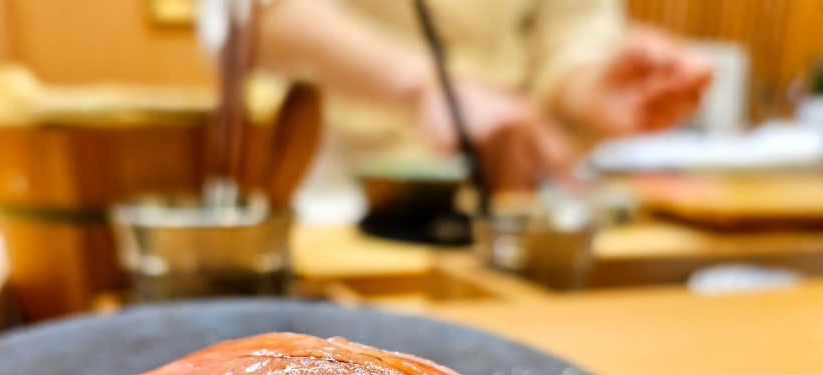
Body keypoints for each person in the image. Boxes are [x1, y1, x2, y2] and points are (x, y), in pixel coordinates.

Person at [252, 0, 712, 195]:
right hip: (337, 195)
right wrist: (421, 83)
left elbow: (573, 25)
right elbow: (256, 13)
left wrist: (591, 79)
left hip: (515, 189)